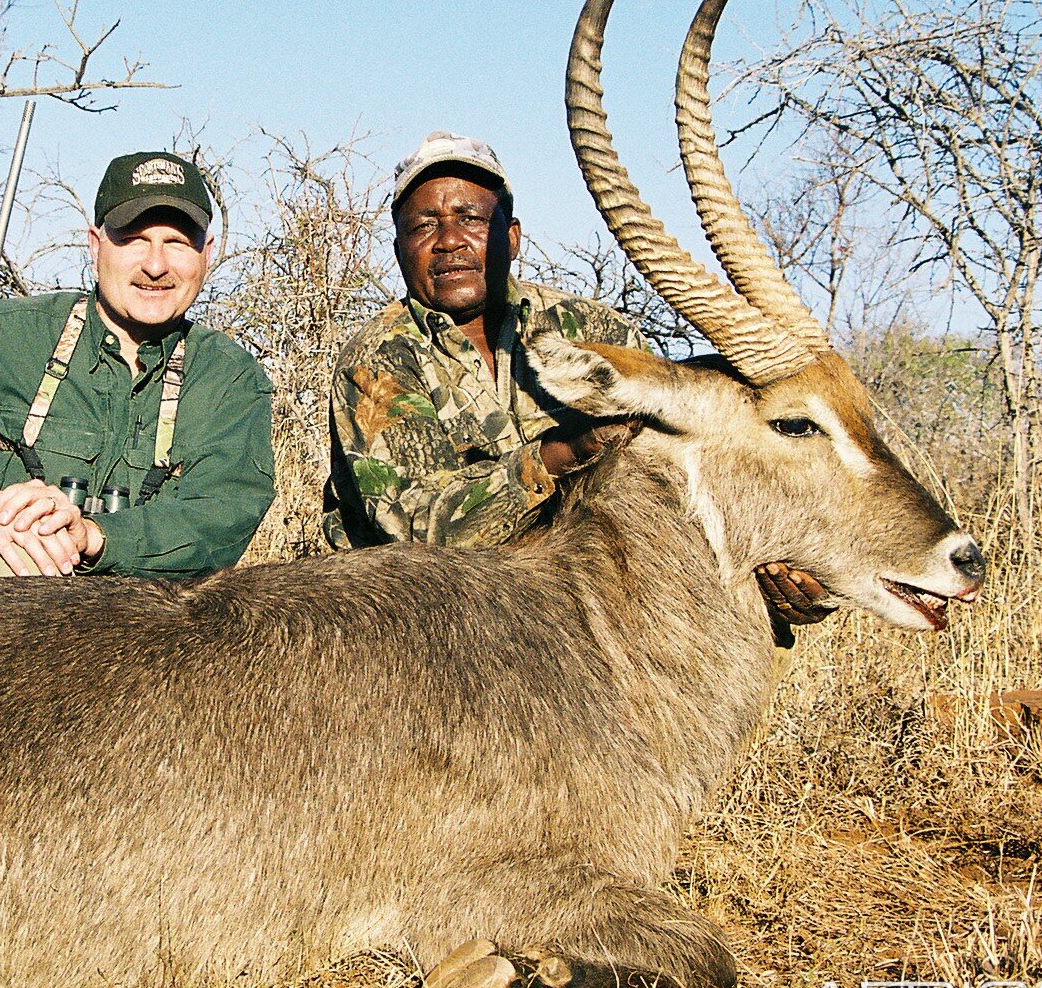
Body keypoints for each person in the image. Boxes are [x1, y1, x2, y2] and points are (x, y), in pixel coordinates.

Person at [324, 131, 830, 627]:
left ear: (513, 236)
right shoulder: (378, 360)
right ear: (398, 250)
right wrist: (567, 450)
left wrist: (775, 570)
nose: (449, 241)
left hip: (574, 602)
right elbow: (415, 531)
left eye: (470, 218)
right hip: (425, 614)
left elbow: (681, 483)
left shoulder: (595, 331)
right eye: (423, 226)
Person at [0, 151, 275, 580]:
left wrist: (92, 536)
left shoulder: (230, 379)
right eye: (134, 239)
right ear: (95, 243)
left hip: (151, 631)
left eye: (177, 242)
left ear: (207, 252)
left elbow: (224, 516)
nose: (156, 264)